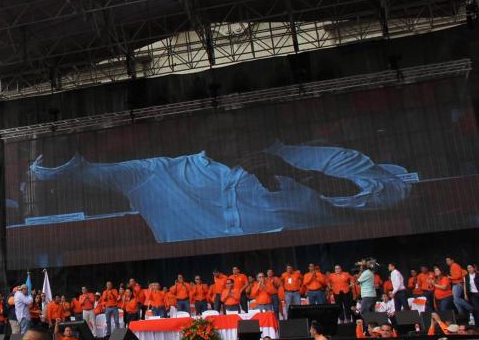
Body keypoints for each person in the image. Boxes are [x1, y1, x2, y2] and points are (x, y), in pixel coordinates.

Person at [27, 143, 411, 244]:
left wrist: (298, 176)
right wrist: (59, 134)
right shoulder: (154, 172)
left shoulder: (322, 159)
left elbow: (393, 192)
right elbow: (61, 172)